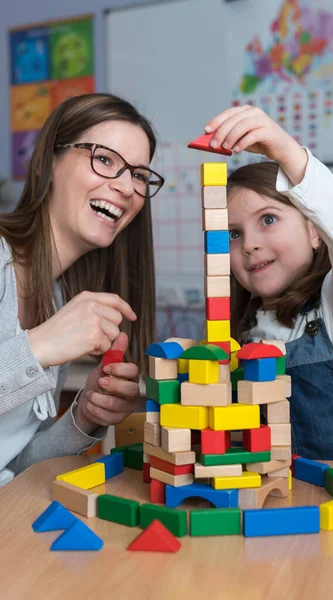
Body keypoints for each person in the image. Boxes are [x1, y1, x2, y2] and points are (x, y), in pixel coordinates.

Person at [204, 105, 333, 461]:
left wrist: (285, 150)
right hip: (263, 509)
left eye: (269, 219)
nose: (250, 244)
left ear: (314, 231)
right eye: (233, 233)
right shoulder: (234, 335)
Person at [0, 93, 164, 484]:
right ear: (50, 162)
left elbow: (17, 469)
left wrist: (84, 416)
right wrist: (38, 347)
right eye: (105, 159)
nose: (126, 187)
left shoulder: (57, 299)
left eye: (139, 175)